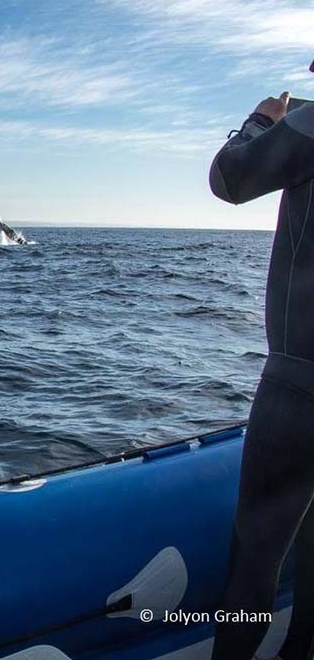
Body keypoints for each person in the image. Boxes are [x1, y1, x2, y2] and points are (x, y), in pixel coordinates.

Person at [209, 63, 314, 660]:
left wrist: (260, 120)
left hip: (301, 382)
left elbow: (229, 178)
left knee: (255, 559)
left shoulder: (309, 122)